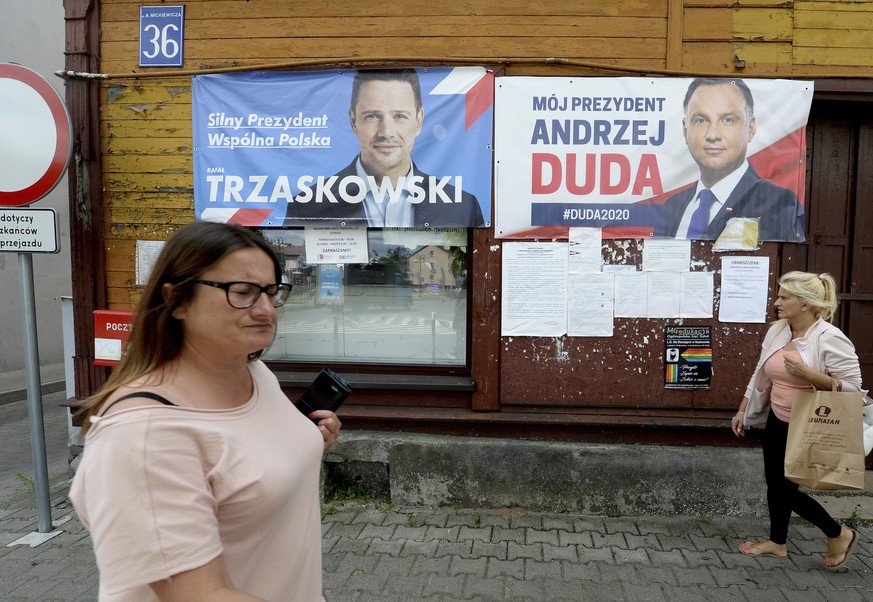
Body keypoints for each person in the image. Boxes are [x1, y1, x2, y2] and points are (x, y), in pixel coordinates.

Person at [70, 221, 341, 601]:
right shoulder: (145, 435)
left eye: (271, 291)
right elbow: (201, 594)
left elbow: (244, 468)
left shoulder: (253, 372)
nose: (266, 309)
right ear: (177, 300)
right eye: (242, 292)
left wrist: (304, 445)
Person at [732, 271, 860, 569]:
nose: (776, 302)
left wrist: (809, 375)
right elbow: (759, 373)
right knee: (775, 484)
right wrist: (743, 410)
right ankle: (778, 542)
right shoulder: (778, 331)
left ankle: (838, 533)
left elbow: (855, 389)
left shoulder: (830, 338)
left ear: (805, 303)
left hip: (810, 426)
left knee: (784, 489)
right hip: (779, 420)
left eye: (784, 297)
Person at [290, 69, 486, 227]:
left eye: (399, 116)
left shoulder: (462, 206)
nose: (386, 132)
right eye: (373, 116)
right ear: (353, 121)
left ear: (419, 121)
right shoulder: (307, 204)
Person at [656, 78, 805, 242]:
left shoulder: (779, 203)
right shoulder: (671, 206)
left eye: (728, 120)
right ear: (685, 130)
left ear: (751, 128)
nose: (713, 135)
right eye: (701, 120)